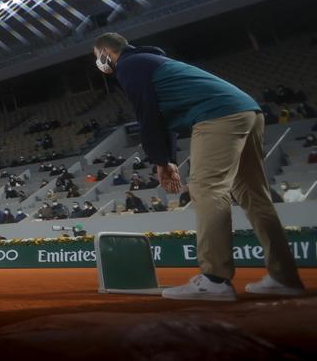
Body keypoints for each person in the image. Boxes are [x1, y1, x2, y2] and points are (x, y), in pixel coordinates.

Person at [93, 32, 304, 300]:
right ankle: (284, 277)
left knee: (207, 189)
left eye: (96, 58)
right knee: (255, 196)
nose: (98, 64)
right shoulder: (148, 60)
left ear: (105, 54)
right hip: (247, 112)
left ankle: (214, 279)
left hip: (217, 115)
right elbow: (163, 114)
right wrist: (166, 158)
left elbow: (147, 114)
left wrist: (160, 161)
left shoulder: (127, 66)